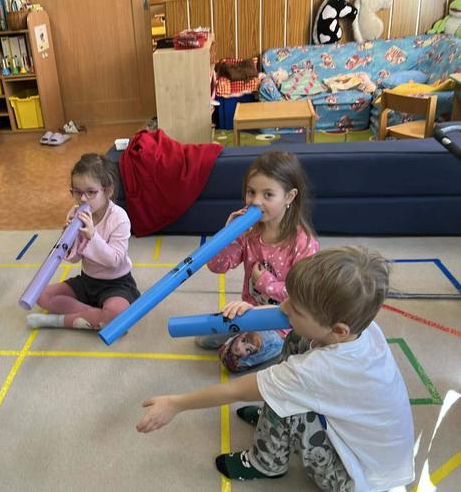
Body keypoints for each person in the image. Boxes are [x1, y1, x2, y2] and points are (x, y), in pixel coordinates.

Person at [137, 246, 414, 492]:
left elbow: (237, 390)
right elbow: (286, 317)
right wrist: (250, 311)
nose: (284, 307)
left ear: (338, 330)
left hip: (353, 478)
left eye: (297, 309)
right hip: (366, 451)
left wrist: (175, 404)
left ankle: (266, 462)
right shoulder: (361, 329)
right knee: (297, 340)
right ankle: (274, 426)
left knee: (284, 396)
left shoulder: (319, 371)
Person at [201, 150, 319, 372]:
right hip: (247, 312)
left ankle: (281, 345)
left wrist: (265, 282)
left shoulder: (304, 243)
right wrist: (228, 234)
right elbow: (216, 266)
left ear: (289, 197)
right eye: (251, 192)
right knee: (203, 337)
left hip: (282, 323)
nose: (256, 201)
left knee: (231, 357)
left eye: (268, 195)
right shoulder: (250, 231)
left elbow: (303, 296)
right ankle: (241, 333)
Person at [26, 153, 140, 330]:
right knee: (41, 295)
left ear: (108, 191)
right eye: (77, 192)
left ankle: (59, 321)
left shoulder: (119, 218)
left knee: (116, 313)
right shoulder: (76, 213)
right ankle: (97, 315)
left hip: (116, 283)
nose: (83, 199)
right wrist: (69, 239)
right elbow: (74, 259)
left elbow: (115, 261)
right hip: (87, 281)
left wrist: (92, 236)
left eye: (91, 192)